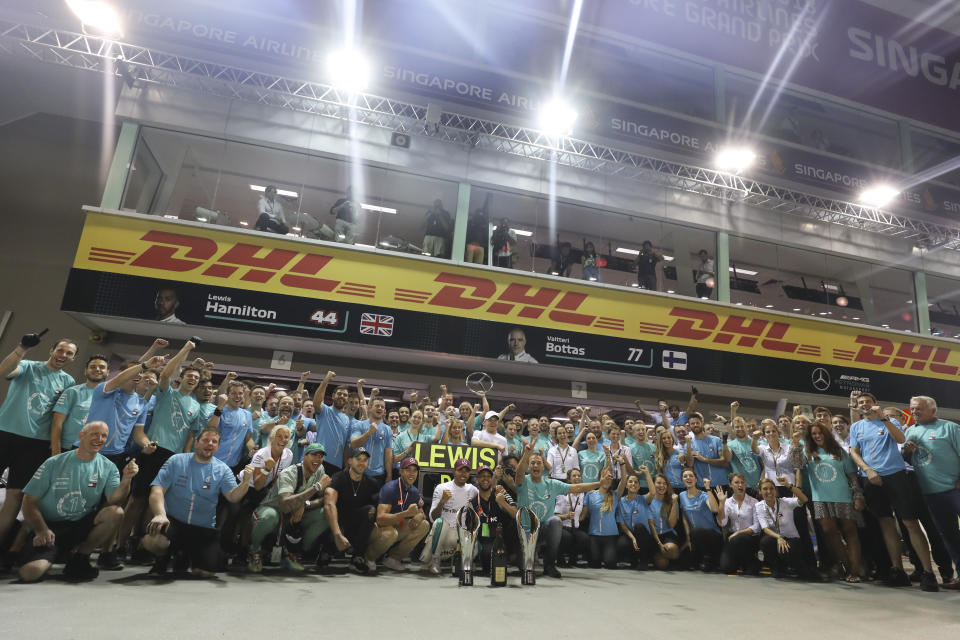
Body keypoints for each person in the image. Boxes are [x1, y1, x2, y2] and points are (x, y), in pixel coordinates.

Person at [18, 421, 137, 582]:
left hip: (80, 524)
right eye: (95, 434)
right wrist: (41, 530)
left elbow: (115, 499)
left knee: (116, 512)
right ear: (81, 435)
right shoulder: (54, 463)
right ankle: (54, 555)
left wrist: (127, 480)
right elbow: (29, 501)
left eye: (104, 436)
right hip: (50, 527)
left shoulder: (108, 467)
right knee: (30, 573)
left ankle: (80, 557)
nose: (99, 439)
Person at [849, 392, 938, 591]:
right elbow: (854, 451)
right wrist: (868, 470)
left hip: (896, 476)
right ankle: (897, 570)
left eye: (868, 402)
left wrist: (882, 416)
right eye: (860, 402)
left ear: (875, 403)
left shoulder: (888, 421)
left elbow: (900, 438)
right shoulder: (856, 427)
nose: (864, 405)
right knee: (886, 524)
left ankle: (928, 572)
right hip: (871, 478)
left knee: (909, 523)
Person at [0, 333, 77, 553]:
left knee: (15, 496)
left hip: (35, 444)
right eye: (60, 350)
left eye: (69, 353)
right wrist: (22, 347)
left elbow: (62, 416)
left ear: (72, 358)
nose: (63, 355)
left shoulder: (68, 381)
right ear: (51, 351)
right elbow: (3, 371)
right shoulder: (27, 365)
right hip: (5, 433)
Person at [143, 428, 254, 577]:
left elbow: (233, 497)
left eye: (214, 442)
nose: (210, 444)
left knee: (208, 572)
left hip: (203, 529)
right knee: (153, 541)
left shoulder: (223, 469)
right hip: (173, 523)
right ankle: (163, 557)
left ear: (218, 447)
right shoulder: (176, 461)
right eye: (205, 440)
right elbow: (157, 491)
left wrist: (246, 482)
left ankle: (185, 556)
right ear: (196, 443)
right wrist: (160, 515)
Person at [790, 421, 865, 582]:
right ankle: (847, 566)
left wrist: (858, 496)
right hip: (820, 499)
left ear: (826, 434)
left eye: (820, 433)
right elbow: (796, 464)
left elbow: (852, 475)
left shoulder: (838, 451)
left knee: (850, 532)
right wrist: (796, 444)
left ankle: (855, 570)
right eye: (814, 434)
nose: (817, 436)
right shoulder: (808, 451)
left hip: (843, 498)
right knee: (830, 533)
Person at [514, 443, 600, 578]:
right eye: (533, 463)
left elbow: (576, 488)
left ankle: (549, 565)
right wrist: (526, 454)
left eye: (539, 463)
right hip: (526, 530)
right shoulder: (523, 481)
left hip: (543, 528)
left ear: (544, 467)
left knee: (555, 520)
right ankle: (527, 559)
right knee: (525, 568)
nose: (536, 465)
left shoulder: (552, 484)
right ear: (529, 467)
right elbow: (518, 473)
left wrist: (599, 483)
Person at [903, 395, 960, 589]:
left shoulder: (950, 428)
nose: (914, 411)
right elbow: (910, 462)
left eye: (918, 408)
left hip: (955, 489)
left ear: (932, 410)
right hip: (931, 494)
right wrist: (908, 452)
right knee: (949, 535)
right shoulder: (910, 431)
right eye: (912, 408)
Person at [247, 443, 330, 573]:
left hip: (294, 515)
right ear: (305, 457)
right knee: (269, 517)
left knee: (325, 514)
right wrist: (316, 487)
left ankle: (295, 552)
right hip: (272, 509)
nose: (317, 459)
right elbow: (285, 504)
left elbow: (324, 499)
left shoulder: (320, 470)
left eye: (320, 456)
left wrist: (305, 504)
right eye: (314, 455)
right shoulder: (289, 473)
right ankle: (254, 550)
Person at [324, 447, 380, 574]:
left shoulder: (372, 483)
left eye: (365, 460)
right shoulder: (338, 478)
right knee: (329, 518)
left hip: (357, 525)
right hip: (339, 522)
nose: (362, 463)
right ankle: (326, 551)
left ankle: (357, 557)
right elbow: (329, 504)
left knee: (371, 510)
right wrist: (337, 534)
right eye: (358, 459)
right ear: (349, 461)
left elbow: (380, 508)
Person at [367, 457, 429, 571]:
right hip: (378, 529)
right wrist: (406, 514)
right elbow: (380, 519)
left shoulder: (414, 491)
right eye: (408, 469)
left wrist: (420, 516)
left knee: (424, 525)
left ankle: (393, 559)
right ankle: (369, 558)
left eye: (415, 470)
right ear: (401, 471)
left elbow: (421, 513)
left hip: (396, 526)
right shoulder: (390, 488)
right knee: (391, 533)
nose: (412, 473)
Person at [422, 458, 480, 575]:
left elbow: (487, 492)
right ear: (454, 472)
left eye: (466, 471)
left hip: (458, 533)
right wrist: (442, 502)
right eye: (460, 470)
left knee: (475, 544)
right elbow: (433, 517)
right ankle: (435, 560)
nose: (463, 474)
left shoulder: (472, 490)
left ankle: (459, 561)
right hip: (441, 533)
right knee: (440, 522)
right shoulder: (442, 488)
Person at [755, 477, 817, 580]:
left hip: (792, 539)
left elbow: (804, 499)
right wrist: (779, 537)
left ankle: (798, 569)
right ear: (760, 491)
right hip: (776, 538)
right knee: (765, 542)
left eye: (771, 488)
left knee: (785, 550)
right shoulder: (759, 506)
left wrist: (789, 485)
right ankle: (777, 568)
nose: (769, 491)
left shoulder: (785, 502)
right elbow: (765, 528)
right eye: (765, 489)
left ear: (775, 490)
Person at [50, 354, 109, 456]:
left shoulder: (111, 396)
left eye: (102, 367)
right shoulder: (72, 392)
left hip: (95, 450)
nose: (97, 369)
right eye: (93, 367)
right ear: (85, 371)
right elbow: (57, 423)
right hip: (68, 448)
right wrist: (56, 450)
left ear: (107, 372)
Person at [469, 463, 518, 574]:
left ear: (492, 479)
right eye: (482, 476)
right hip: (485, 539)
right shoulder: (473, 501)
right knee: (488, 558)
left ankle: (513, 555)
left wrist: (503, 503)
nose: (485, 479)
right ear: (477, 479)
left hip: (504, 538)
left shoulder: (502, 493)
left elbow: (516, 514)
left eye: (488, 476)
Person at [715, 474, 761, 575]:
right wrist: (721, 503)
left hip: (749, 538)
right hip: (732, 540)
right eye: (736, 482)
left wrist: (739, 533)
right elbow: (722, 523)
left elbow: (757, 527)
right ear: (730, 485)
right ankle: (739, 561)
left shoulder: (754, 502)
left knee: (751, 571)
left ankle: (751, 560)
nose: (740, 485)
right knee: (726, 569)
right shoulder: (727, 502)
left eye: (742, 482)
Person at [679, 469, 722, 571]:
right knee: (683, 564)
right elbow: (684, 517)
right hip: (695, 536)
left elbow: (715, 509)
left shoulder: (704, 495)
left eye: (691, 476)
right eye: (685, 476)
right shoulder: (682, 495)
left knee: (697, 532)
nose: (688, 478)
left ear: (696, 479)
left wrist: (708, 489)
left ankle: (708, 558)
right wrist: (688, 538)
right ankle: (701, 558)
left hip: (712, 535)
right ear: (682, 480)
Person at [583, 468, 624, 569]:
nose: (607, 479)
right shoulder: (590, 494)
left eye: (610, 477)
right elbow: (582, 516)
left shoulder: (615, 494)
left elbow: (624, 480)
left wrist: (622, 464)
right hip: (594, 535)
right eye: (604, 476)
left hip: (610, 536)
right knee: (594, 564)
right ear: (599, 479)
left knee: (610, 564)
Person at [349, 397, 393, 485]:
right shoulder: (359, 425)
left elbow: (388, 455)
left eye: (382, 407)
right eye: (377, 406)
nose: (380, 408)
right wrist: (368, 433)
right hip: (359, 473)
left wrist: (389, 475)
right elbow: (353, 444)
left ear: (384, 411)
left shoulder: (388, 429)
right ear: (370, 408)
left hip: (379, 476)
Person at [616, 470, 653, 569]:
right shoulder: (621, 502)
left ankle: (644, 560)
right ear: (626, 486)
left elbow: (653, 492)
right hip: (630, 534)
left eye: (636, 482)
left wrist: (647, 473)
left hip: (644, 536)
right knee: (621, 544)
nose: (633, 484)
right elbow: (622, 525)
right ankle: (633, 559)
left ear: (639, 486)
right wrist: (633, 538)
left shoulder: (643, 499)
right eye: (630, 482)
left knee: (639, 527)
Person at [684, 412, 728, 491]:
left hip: (721, 483)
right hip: (702, 485)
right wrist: (688, 445)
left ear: (702, 423)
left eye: (697, 422)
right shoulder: (688, 444)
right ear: (689, 426)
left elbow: (724, 461)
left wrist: (704, 459)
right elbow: (690, 464)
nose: (695, 425)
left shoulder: (716, 440)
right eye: (692, 423)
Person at [724, 404, 763, 494]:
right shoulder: (730, 445)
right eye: (737, 427)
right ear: (733, 429)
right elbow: (728, 458)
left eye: (742, 426)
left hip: (757, 486)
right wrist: (724, 443)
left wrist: (761, 481)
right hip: (739, 486)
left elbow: (764, 465)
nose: (740, 428)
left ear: (746, 428)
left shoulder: (756, 442)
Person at [646, 473, 682, 569]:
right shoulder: (647, 499)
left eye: (664, 483)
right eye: (658, 483)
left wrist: (674, 503)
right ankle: (656, 555)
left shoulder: (671, 501)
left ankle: (662, 554)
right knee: (662, 564)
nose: (662, 486)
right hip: (653, 536)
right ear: (653, 484)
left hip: (667, 534)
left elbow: (672, 524)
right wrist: (659, 544)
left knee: (672, 550)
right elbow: (650, 524)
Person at [752, 419, 794, 493]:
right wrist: (754, 439)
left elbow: (797, 468)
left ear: (778, 433)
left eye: (774, 431)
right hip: (771, 487)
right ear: (764, 435)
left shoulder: (789, 447)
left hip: (789, 484)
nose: (771, 433)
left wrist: (796, 488)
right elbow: (754, 449)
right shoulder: (763, 448)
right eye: (768, 432)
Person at [465, 192, 491, 264]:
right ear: (475, 214)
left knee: (478, 265)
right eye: (478, 214)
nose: (480, 215)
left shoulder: (484, 224)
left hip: (480, 246)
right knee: (468, 264)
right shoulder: (470, 222)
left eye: (481, 214)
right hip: (471, 244)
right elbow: (466, 233)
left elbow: (486, 236)